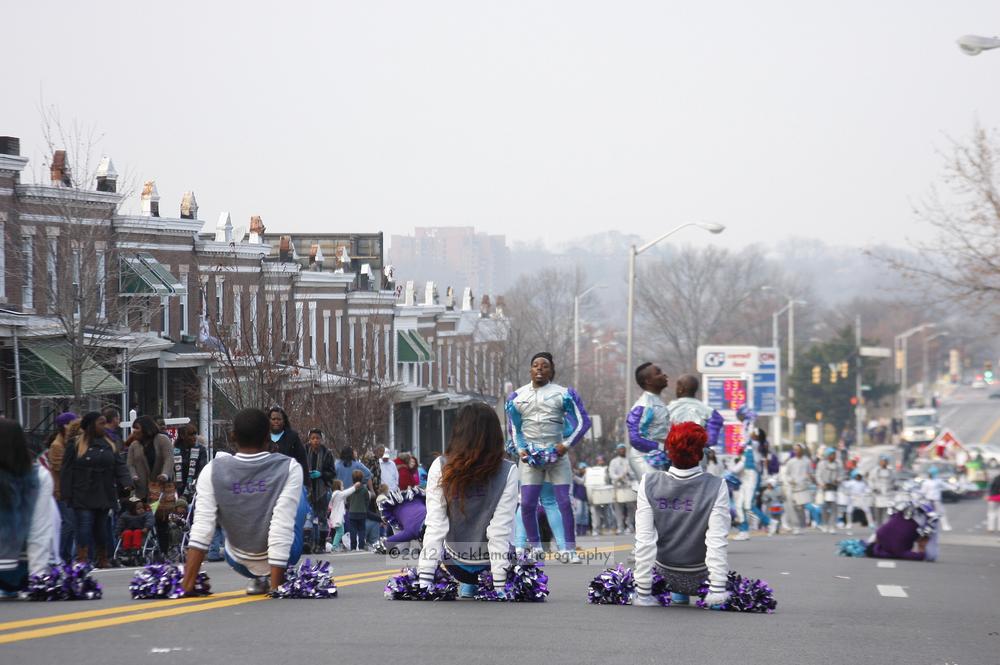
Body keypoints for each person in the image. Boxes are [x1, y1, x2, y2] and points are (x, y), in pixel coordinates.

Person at [183, 408, 307, 595]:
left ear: (233, 437)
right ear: (268, 437)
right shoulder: (288, 467)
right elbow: (281, 527)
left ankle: (258, 579)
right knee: (301, 494)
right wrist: (277, 588)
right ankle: (273, 577)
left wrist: (187, 585)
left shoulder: (212, 470)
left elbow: (202, 530)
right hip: (287, 554)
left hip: (239, 561)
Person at [419, 402, 518, 598]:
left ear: (458, 432)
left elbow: (436, 526)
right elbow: (499, 531)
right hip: (490, 565)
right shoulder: (509, 470)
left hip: (456, 565)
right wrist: (499, 587)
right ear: (494, 435)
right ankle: (482, 583)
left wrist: (424, 581)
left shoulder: (440, 466)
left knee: (435, 521)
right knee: (507, 526)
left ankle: (468, 584)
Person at [633, 422, 730, 608]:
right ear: (701, 453)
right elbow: (717, 541)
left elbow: (644, 541)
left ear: (669, 451)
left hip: (664, 577)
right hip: (701, 578)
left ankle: (677, 595)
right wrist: (717, 590)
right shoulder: (717, 485)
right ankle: (705, 592)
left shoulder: (649, 482)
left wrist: (643, 592)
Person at [506, 351, 590, 563]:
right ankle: (535, 547)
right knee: (527, 504)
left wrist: (565, 445)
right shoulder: (517, 396)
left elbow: (583, 422)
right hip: (530, 458)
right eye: (535, 365)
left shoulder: (564, 393)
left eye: (544, 366)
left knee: (563, 501)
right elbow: (515, 428)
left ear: (552, 370)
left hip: (557, 455)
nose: (540, 369)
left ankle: (568, 550)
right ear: (530, 370)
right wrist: (522, 449)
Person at [61, 412, 130, 566]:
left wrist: (126, 483)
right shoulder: (76, 444)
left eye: (105, 422)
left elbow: (120, 465)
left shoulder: (109, 443)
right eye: (101, 423)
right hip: (82, 492)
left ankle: (103, 557)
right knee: (84, 524)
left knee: (101, 527)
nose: (104, 426)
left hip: (104, 492)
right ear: (91, 425)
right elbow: (66, 470)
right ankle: (82, 557)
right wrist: (66, 493)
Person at [0, 419, 57, 592]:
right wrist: (38, 577)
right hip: (21, 569)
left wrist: (37, 580)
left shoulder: (37, 476)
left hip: (18, 569)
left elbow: (39, 528)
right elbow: (40, 531)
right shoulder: (40, 475)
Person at [626, 363, 672, 477]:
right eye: (658, 373)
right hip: (643, 457)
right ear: (648, 381)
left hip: (659, 457)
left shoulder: (658, 401)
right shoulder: (643, 405)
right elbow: (635, 439)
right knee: (656, 492)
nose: (664, 375)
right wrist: (661, 447)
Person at [47, 412, 78, 562]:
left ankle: (66, 556)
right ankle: (57, 554)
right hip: (61, 490)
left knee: (72, 524)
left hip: (71, 490)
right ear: (65, 426)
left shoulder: (69, 443)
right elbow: (61, 468)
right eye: (73, 424)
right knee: (68, 522)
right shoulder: (57, 445)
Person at [731, 426, 768, 541]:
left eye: (753, 432)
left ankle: (769, 522)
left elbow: (754, 441)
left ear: (757, 435)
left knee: (748, 506)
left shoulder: (756, 445)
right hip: (745, 478)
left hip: (752, 477)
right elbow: (742, 463)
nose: (751, 433)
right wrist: (730, 472)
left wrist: (747, 427)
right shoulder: (749, 447)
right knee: (739, 505)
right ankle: (744, 531)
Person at [667, 374, 724, 446]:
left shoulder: (667, 410)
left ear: (680, 389)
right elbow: (711, 440)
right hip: (700, 454)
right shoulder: (711, 413)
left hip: (672, 454)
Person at [125, 416, 173, 502]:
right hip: (140, 490)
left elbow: (169, 459)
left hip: (160, 489)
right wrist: (134, 476)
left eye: (137, 428)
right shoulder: (134, 445)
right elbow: (130, 464)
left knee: (160, 513)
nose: (134, 431)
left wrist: (165, 474)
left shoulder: (163, 439)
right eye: (133, 428)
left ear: (146, 428)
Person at [304, 429, 336, 552]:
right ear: (309, 439)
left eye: (317, 438)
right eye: (313, 438)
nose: (315, 441)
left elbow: (332, 473)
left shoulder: (327, 453)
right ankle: (307, 543)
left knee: (322, 518)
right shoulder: (304, 450)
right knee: (308, 516)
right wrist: (306, 474)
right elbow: (298, 466)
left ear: (321, 439)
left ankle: (321, 545)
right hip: (307, 488)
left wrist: (321, 474)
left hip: (322, 489)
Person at [268, 407, 308, 484]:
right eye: (273, 419)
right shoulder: (263, 437)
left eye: (279, 419)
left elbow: (302, 460)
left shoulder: (293, 437)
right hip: (268, 481)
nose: (276, 422)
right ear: (269, 420)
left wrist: (306, 483)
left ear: (284, 421)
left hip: (288, 481)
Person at [781, 443, 813, 535]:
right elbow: (787, 474)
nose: (796, 451)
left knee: (800, 507)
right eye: (795, 450)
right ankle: (795, 526)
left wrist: (808, 480)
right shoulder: (791, 461)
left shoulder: (807, 461)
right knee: (793, 507)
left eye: (798, 449)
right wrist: (791, 480)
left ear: (802, 450)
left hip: (803, 487)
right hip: (792, 487)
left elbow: (810, 473)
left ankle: (802, 525)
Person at [172, 424, 207, 500]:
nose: (194, 437)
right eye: (191, 435)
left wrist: (188, 491)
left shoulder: (201, 450)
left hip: (195, 490)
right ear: (182, 436)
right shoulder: (174, 451)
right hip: (177, 490)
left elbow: (201, 471)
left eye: (195, 434)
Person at [608, 443, 636, 534]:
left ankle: (629, 525)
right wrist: (619, 477)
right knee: (618, 508)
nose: (622, 451)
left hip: (628, 486)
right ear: (617, 450)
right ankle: (620, 527)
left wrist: (629, 475)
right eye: (620, 449)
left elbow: (633, 473)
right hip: (617, 487)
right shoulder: (613, 461)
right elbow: (611, 474)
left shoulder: (629, 461)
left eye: (623, 449)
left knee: (631, 506)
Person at [116, 499, 153, 566]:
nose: (141, 510)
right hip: (128, 531)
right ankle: (126, 551)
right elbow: (120, 524)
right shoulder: (125, 515)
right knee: (127, 533)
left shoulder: (146, 514)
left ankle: (136, 550)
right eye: (138, 508)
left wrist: (147, 527)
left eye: (142, 508)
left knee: (137, 532)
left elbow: (150, 521)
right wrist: (118, 533)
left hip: (141, 531)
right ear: (132, 509)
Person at [814, 447, 842, 533]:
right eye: (831, 454)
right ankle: (825, 524)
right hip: (824, 488)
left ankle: (832, 526)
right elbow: (818, 475)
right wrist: (822, 484)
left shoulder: (838, 464)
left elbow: (842, 474)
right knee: (824, 507)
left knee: (834, 507)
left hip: (833, 487)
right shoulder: (822, 464)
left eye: (834, 454)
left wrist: (838, 480)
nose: (833, 456)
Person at [327, 479, 360, 551]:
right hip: (337, 516)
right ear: (338, 486)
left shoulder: (335, 494)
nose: (343, 487)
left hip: (337, 516)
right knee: (340, 532)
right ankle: (334, 546)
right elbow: (346, 493)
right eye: (342, 485)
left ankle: (336, 545)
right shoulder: (338, 494)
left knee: (339, 531)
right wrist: (354, 487)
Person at [920, 466, 952, 532]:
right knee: (927, 513)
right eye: (929, 473)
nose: (930, 474)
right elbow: (923, 491)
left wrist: (955, 487)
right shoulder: (926, 482)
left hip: (936, 500)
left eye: (931, 473)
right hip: (928, 499)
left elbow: (946, 485)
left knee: (941, 513)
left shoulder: (938, 481)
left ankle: (945, 525)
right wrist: (919, 496)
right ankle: (926, 525)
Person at [867, 455, 895, 527]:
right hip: (878, 494)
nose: (884, 463)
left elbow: (894, 481)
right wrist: (874, 488)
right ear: (880, 462)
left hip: (887, 494)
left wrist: (893, 487)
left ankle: (885, 528)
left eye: (886, 461)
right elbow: (870, 480)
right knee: (878, 512)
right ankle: (878, 527)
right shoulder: (875, 471)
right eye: (883, 461)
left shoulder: (890, 471)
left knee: (887, 512)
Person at [346, 469, 370, 550]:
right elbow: (367, 501)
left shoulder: (351, 489)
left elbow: (348, 501)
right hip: (362, 512)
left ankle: (353, 547)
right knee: (362, 530)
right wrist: (365, 508)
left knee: (353, 530)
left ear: (352, 478)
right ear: (362, 478)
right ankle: (361, 546)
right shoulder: (364, 490)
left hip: (352, 512)